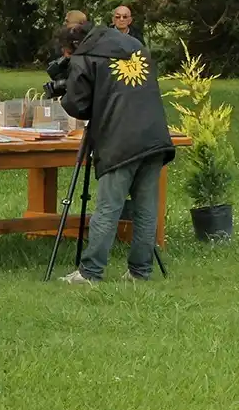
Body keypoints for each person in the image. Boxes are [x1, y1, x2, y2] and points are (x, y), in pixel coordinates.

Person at [57, 19, 174, 284]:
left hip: (119, 139)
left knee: (108, 208)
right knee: (146, 209)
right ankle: (140, 271)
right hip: (154, 134)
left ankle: (90, 272)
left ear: (73, 46)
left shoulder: (86, 56)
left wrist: (66, 91)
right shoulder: (135, 46)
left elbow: (78, 105)